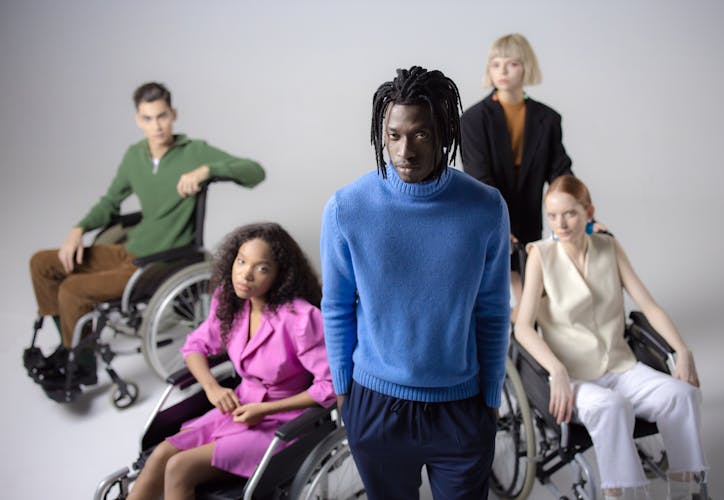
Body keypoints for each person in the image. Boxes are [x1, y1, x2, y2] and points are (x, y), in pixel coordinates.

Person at [320, 66, 511, 500]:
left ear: (444, 133)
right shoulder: (347, 208)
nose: (405, 150)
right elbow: (336, 306)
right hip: (375, 404)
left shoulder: (485, 208)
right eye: (394, 136)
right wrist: (344, 389)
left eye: (420, 135)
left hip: (461, 406)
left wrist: (490, 395)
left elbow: (493, 309)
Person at [28, 82, 265, 388]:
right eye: (149, 118)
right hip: (129, 248)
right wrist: (79, 229)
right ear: (138, 120)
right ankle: (67, 343)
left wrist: (206, 170)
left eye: (162, 116)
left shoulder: (194, 152)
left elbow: (255, 172)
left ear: (173, 114)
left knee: (73, 290)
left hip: (159, 262)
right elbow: (110, 202)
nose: (157, 126)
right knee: (41, 263)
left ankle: (81, 366)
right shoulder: (134, 156)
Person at [514, 175, 707, 500]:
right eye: (552, 216)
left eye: (570, 214)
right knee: (611, 407)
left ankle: (686, 491)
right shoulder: (541, 256)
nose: (560, 224)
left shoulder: (609, 247)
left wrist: (683, 350)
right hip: (575, 378)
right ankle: (621, 495)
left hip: (621, 367)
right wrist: (556, 371)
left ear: (589, 211)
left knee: (682, 396)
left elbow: (649, 306)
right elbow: (522, 326)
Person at [126, 222, 335, 499]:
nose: (245, 274)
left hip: (284, 423)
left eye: (261, 268)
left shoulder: (301, 318)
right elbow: (195, 346)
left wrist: (265, 410)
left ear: (280, 275)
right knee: (161, 454)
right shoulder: (230, 301)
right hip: (237, 407)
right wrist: (212, 387)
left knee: (179, 467)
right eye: (241, 261)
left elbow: (330, 385)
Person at [461, 33, 573, 316]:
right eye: (496, 64)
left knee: (533, 294)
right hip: (489, 216)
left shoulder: (547, 119)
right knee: (510, 295)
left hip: (530, 219)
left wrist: (583, 215)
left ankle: (526, 334)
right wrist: (500, 224)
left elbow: (560, 172)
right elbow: (479, 179)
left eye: (511, 64)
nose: (502, 71)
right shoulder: (473, 120)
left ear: (526, 67)